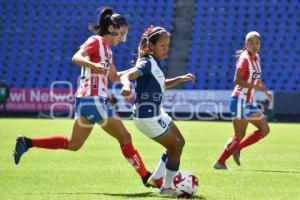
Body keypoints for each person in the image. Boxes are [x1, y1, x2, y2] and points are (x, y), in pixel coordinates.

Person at [13, 7, 153, 186]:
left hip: (86, 100)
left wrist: (138, 71)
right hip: (94, 99)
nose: (122, 38)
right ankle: (145, 176)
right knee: (125, 137)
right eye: (122, 33)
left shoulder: (108, 51)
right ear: (112, 28)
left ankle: (27, 142)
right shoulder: (95, 41)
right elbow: (76, 57)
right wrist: (94, 66)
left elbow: (114, 77)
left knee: (74, 144)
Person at [120, 25, 195, 195]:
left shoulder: (155, 63)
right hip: (146, 117)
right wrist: (126, 85)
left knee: (180, 142)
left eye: (167, 45)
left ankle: (157, 178)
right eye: (162, 45)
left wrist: (180, 78)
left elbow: (162, 83)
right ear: (151, 46)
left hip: (156, 112)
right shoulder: (146, 62)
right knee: (175, 148)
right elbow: (127, 76)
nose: (166, 49)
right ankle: (167, 188)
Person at [213, 31, 272, 170]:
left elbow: (257, 78)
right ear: (246, 44)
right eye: (251, 43)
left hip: (247, 102)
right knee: (240, 135)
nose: (254, 45)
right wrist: (255, 87)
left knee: (264, 129)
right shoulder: (244, 59)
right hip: (239, 101)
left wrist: (264, 90)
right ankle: (220, 162)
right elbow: (237, 80)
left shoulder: (256, 57)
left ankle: (235, 150)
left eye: (257, 43)